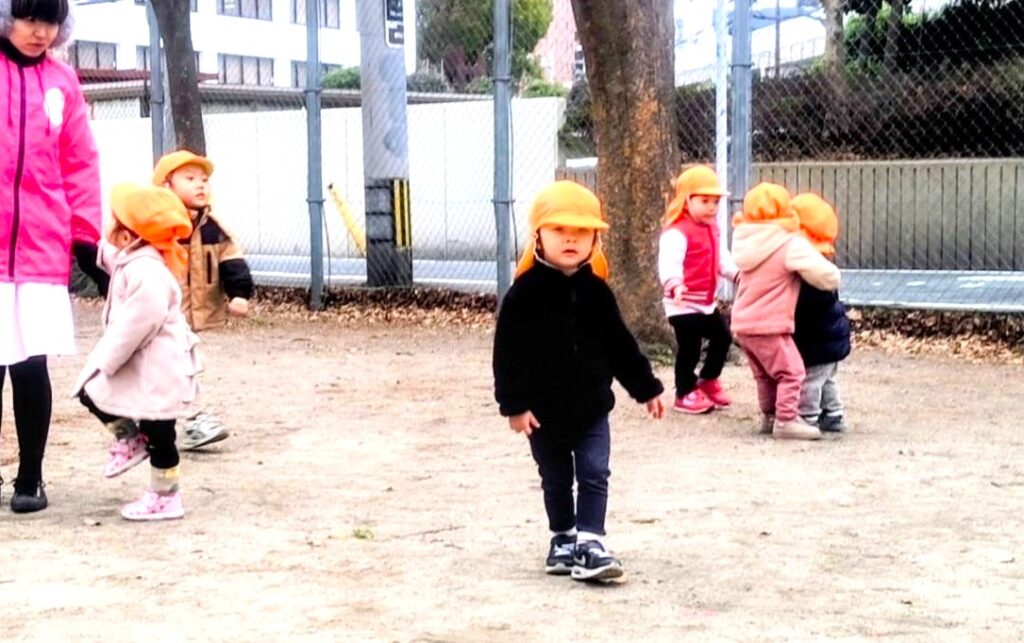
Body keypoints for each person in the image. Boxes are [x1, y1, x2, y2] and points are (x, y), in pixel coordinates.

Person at [493, 180, 665, 582]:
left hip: (591, 410)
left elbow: (620, 347)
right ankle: (563, 537)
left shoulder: (597, 293)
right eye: (559, 230)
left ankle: (590, 541)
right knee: (555, 478)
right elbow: (507, 355)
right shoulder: (522, 295)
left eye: (582, 231)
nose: (570, 239)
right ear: (538, 236)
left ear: (595, 241)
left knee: (594, 471)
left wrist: (646, 388)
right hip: (542, 414)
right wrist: (514, 406)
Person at [0, 0, 103, 512]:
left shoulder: (62, 82)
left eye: (50, 21)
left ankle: (30, 478)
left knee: (30, 363)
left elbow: (79, 161)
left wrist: (85, 237)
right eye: (29, 19)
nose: (40, 31)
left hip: (41, 247)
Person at [74, 184, 200, 521]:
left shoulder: (147, 270)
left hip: (160, 370)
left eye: (113, 221)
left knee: (160, 434)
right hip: (144, 366)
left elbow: (140, 320)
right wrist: (79, 237)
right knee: (90, 393)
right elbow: (107, 255)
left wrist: (108, 359)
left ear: (128, 235)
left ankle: (166, 496)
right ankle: (132, 438)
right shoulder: (133, 258)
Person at [153, 150, 252, 450]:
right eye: (190, 178)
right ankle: (187, 421)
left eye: (204, 180)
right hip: (158, 314)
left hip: (187, 317)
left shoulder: (213, 227)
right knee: (171, 365)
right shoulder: (157, 225)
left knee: (178, 364)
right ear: (166, 185)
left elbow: (232, 260)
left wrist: (239, 293)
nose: (200, 184)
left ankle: (175, 421)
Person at [730, 183, 840, 441]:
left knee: (765, 376)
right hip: (770, 324)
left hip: (742, 324)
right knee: (793, 372)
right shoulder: (788, 244)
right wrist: (832, 276)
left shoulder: (746, 242)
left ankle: (769, 417)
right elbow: (826, 275)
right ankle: (787, 420)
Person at [658, 165, 738, 414]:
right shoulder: (676, 232)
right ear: (686, 200)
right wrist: (674, 284)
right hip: (681, 304)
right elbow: (669, 263)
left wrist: (736, 275)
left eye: (715, 202)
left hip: (706, 303)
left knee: (723, 337)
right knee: (689, 348)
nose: (712, 207)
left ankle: (708, 379)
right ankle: (684, 392)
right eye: (705, 201)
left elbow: (721, 258)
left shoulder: (713, 229)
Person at [791, 193, 851, 433]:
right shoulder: (823, 266)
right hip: (832, 338)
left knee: (810, 381)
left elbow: (805, 310)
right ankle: (833, 413)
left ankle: (808, 416)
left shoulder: (808, 271)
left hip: (818, 342)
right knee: (827, 379)